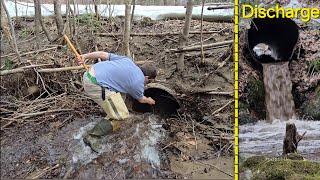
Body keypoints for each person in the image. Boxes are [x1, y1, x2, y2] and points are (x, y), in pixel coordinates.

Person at [79, 51, 157, 152]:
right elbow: (141, 99)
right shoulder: (138, 82)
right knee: (122, 115)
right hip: (95, 84)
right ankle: (92, 137)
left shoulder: (127, 61)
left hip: (89, 73)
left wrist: (85, 56)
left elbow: (103, 54)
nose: (147, 83)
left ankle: (110, 115)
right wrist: (149, 100)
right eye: (149, 81)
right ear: (146, 77)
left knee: (121, 96)